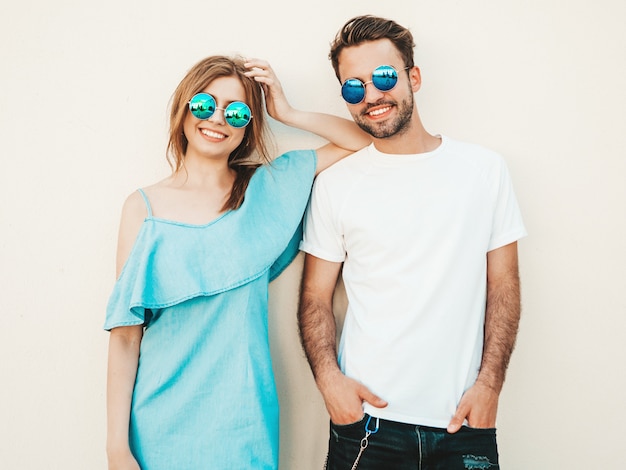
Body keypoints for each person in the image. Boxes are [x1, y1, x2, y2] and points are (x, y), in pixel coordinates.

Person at [104, 55, 370, 470]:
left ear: (249, 125)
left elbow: (363, 140)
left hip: (244, 423)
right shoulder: (142, 209)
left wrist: (286, 111)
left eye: (238, 111)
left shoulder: (266, 189)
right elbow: (124, 336)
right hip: (158, 428)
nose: (218, 119)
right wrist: (116, 449)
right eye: (206, 104)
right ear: (184, 107)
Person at [298, 15, 527, 469]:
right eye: (353, 87)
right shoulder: (336, 184)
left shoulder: (484, 170)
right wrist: (330, 382)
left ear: (413, 77)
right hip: (366, 426)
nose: (371, 96)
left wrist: (490, 386)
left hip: (463, 425)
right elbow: (313, 297)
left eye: (383, 77)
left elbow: (504, 286)